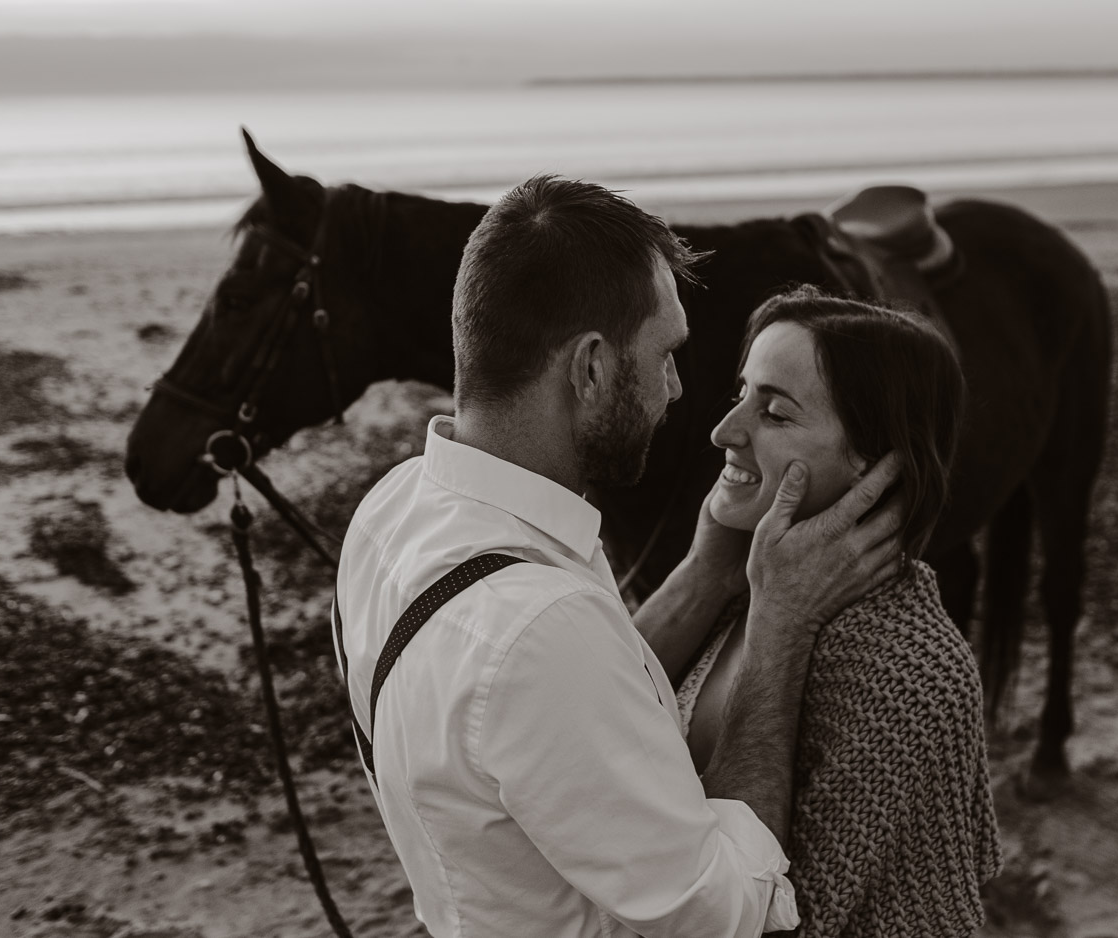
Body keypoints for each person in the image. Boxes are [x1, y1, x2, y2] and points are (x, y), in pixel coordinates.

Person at [334, 176, 908, 938]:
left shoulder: (391, 513)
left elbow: (576, 705)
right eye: (666, 354)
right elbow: (728, 911)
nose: (677, 391)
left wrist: (707, 569)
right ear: (593, 367)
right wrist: (781, 621)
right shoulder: (538, 630)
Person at [674, 285, 1002, 937]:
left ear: (869, 463)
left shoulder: (903, 671)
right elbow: (594, 711)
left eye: (775, 413)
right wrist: (703, 573)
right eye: (742, 394)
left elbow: (786, 923)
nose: (724, 431)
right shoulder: (745, 588)